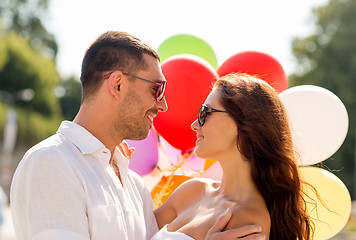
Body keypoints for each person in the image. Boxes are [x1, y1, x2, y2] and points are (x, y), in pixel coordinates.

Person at [10, 31, 265, 240]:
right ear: (117, 84)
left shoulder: (133, 185)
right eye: (157, 89)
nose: (163, 105)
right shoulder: (51, 162)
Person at [153, 73, 314, 240]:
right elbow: (129, 232)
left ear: (241, 122)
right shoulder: (191, 191)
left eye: (204, 113)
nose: (194, 125)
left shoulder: (249, 220)